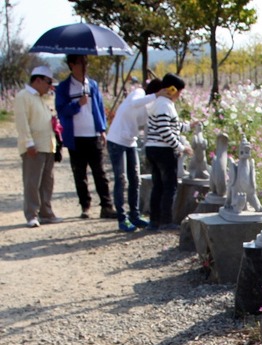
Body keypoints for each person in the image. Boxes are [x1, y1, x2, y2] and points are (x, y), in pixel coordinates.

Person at [54, 54, 115, 219]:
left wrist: (102, 129)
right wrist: (77, 104)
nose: (84, 66)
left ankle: (107, 206)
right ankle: (85, 206)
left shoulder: (92, 85)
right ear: (71, 65)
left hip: (92, 135)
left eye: (85, 62)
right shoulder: (64, 87)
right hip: (75, 137)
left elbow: (99, 108)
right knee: (79, 174)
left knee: (100, 172)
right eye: (80, 63)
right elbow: (61, 110)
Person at [106, 78, 164, 232]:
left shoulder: (151, 105)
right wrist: (156, 95)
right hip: (117, 140)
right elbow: (134, 103)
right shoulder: (139, 93)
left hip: (131, 141)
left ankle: (134, 215)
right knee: (121, 179)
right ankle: (122, 218)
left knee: (135, 179)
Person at [14, 65, 61, 228]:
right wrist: (28, 143)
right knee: (32, 182)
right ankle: (32, 214)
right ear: (38, 80)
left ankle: (46, 213)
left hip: (48, 145)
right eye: (48, 82)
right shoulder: (23, 96)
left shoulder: (42, 98)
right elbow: (22, 122)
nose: (50, 86)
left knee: (47, 182)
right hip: (34, 146)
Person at [144, 73, 191, 230]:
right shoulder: (164, 105)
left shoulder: (159, 103)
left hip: (153, 148)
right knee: (169, 186)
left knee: (158, 186)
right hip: (163, 150)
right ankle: (166, 220)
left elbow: (173, 125)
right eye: (179, 91)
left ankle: (154, 220)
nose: (180, 95)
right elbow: (165, 131)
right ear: (172, 89)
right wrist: (181, 147)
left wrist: (189, 126)